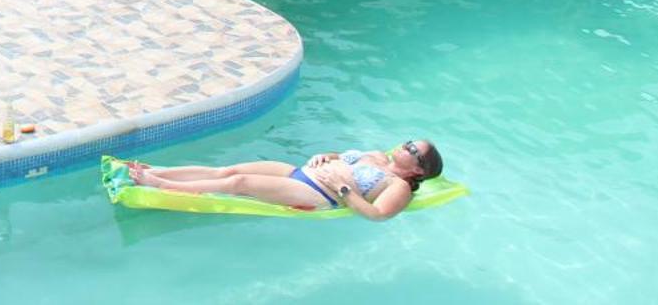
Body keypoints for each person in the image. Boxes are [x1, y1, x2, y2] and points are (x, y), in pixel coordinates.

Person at [125, 140, 444, 219]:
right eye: (409, 141)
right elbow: (337, 156)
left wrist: (345, 188)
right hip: (302, 170)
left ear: (418, 170)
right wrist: (326, 156)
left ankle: (161, 186)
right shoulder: (376, 154)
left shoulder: (398, 186)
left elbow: (377, 215)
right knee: (229, 170)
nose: (406, 144)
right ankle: (157, 170)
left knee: (240, 185)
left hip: (318, 191)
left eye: (413, 149)